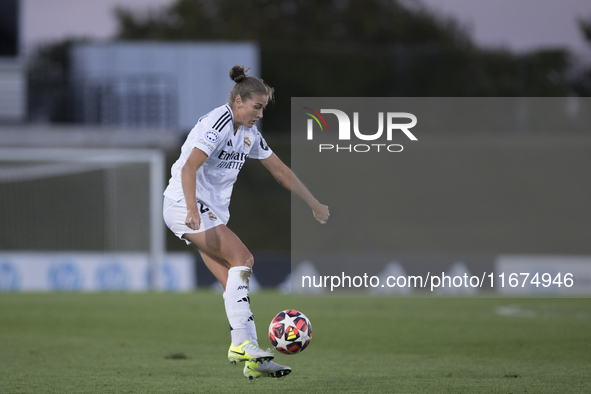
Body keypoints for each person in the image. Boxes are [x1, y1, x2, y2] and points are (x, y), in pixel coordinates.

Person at [163, 65, 329, 381]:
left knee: (232, 283)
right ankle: (240, 346)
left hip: (206, 211)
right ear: (239, 102)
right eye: (256, 107)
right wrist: (190, 210)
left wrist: (313, 203)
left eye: (263, 108)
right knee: (244, 259)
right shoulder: (219, 122)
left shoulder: (250, 135)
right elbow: (188, 169)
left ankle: (252, 357)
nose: (260, 114)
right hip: (184, 205)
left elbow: (280, 172)